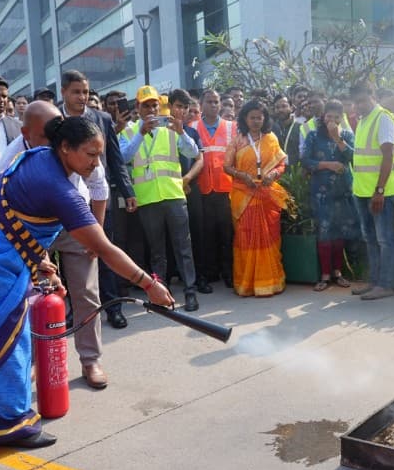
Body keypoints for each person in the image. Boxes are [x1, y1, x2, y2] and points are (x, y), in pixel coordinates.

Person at [0, 116, 174, 448]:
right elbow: (103, 248)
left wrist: (42, 261)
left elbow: (19, 215)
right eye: (90, 155)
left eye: (100, 155)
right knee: (3, 341)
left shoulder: (38, 156)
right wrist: (149, 284)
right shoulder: (60, 189)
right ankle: (6, 425)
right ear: (65, 148)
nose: (96, 163)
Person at [0, 102, 112, 389]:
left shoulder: (77, 146)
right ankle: (37, 360)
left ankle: (90, 359)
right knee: (37, 296)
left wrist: (95, 233)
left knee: (85, 291)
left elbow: (99, 188)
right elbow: (3, 204)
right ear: (26, 132)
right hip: (32, 231)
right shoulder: (13, 156)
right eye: (46, 134)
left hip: (77, 224)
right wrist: (33, 254)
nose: (55, 139)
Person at [59, 70, 136, 328]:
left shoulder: (101, 119)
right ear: (64, 93)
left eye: (85, 92)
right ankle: (74, 308)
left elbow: (114, 159)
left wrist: (128, 191)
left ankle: (113, 306)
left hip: (98, 198)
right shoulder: (55, 121)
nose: (81, 97)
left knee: (103, 250)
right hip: (65, 202)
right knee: (71, 257)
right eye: (76, 92)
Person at [119, 86, 202, 311]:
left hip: (174, 195)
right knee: (157, 251)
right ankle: (161, 294)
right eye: (146, 105)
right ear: (138, 108)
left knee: (183, 247)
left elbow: (193, 153)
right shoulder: (128, 132)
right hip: (148, 199)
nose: (151, 109)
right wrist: (140, 134)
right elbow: (123, 156)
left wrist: (182, 131)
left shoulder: (170, 128)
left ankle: (190, 292)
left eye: (154, 104)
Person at [223, 99, 288, 297]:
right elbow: (226, 167)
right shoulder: (237, 140)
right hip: (244, 195)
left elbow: (281, 163)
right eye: (252, 118)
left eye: (260, 117)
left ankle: (271, 282)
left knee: (269, 236)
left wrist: (273, 175)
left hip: (267, 195)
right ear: (244, 118)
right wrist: (243, 176)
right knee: (246, 237)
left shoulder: (271, 138)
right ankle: (247, 283)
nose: (256, 121)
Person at [349, 81, 394, 301]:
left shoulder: (383, 118)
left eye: (363, 100)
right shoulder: (363, 120)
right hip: (362, 190)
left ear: (373, 96)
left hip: (381, 192)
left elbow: (387, 156)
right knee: (370, 239)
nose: (359, 105)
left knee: (384, 239)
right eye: (356, 102)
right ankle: (374, 281)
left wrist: (379, 191)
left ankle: (385, 284)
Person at [301, 99, 358, 291]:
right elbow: (306, 161)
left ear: (341, 118)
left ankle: (338, 272)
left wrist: (338, 139)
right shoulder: (313, 136)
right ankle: (325, 275)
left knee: (340, 231)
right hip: (321, 192)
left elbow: (353, 157)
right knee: (324, 231)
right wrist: (327, 165)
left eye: (336, 117)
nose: (332, 120)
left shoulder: (347, 135)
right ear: (323, 117)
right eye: (329, 116)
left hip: (342, 191)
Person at [189, 89, 236, 288]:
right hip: (202, 188)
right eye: (209, 102)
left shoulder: (231, 127)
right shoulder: (192, 127)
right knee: (205, 233)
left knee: (226, 232)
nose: (214, 105)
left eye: (217, 102)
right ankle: (209, 272)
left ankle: (228, 272)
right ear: (201, 105)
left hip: (226, 187)